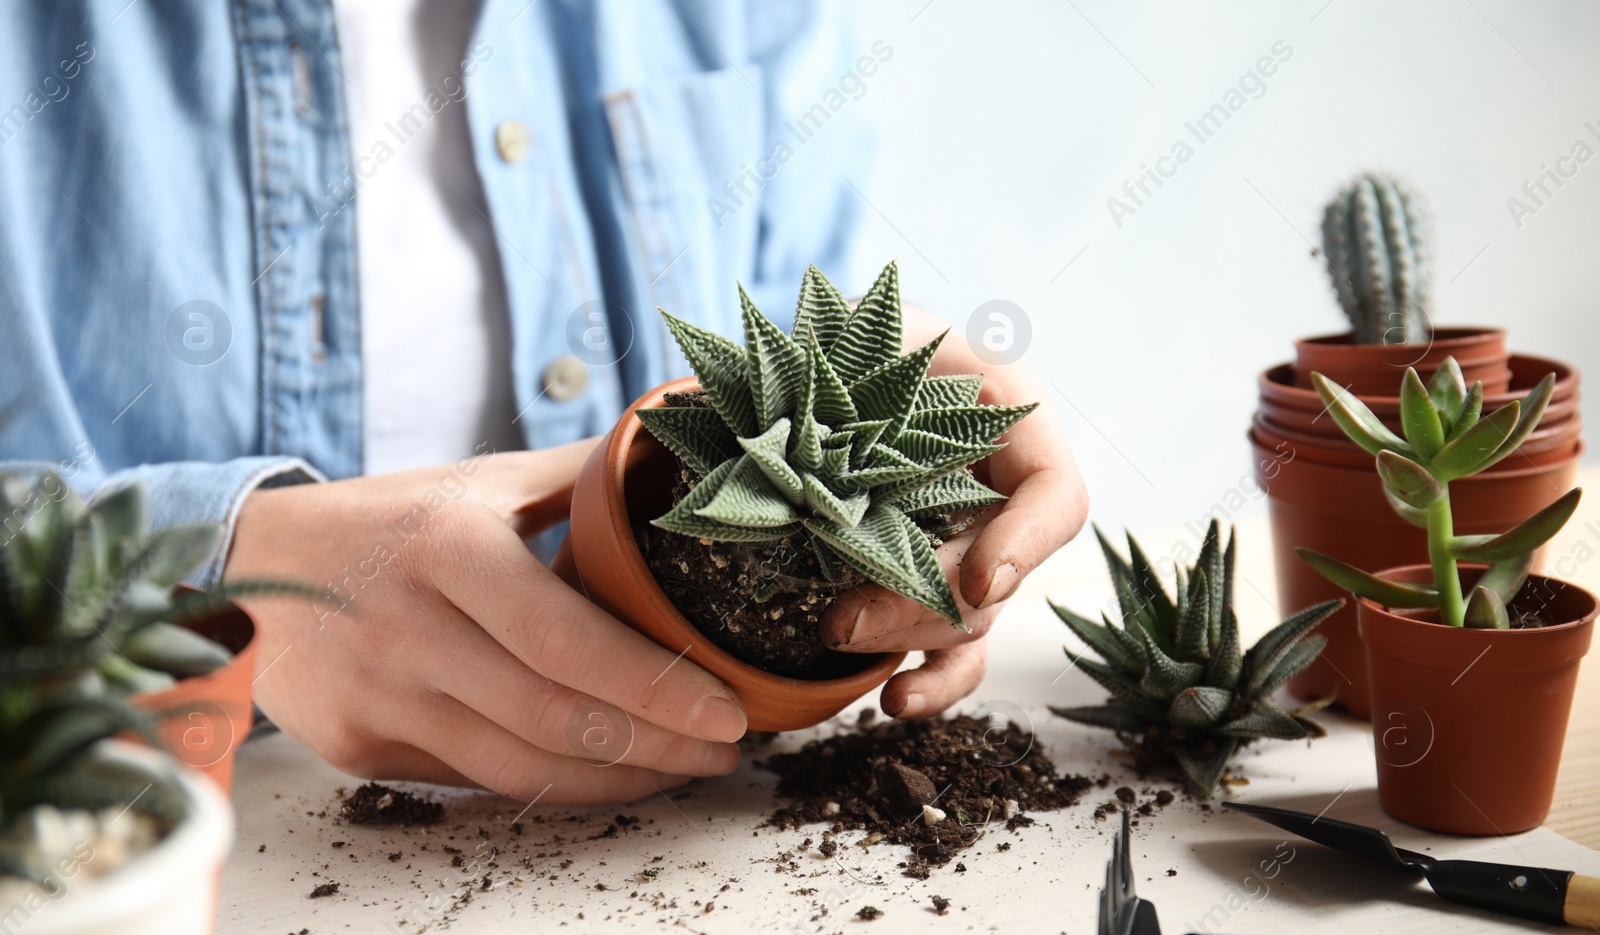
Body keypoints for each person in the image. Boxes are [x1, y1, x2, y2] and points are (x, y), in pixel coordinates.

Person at [1, 0, 1086, 803]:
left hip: (679, 837)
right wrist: (229, 563)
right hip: (146, 851)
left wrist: (924, 476)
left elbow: (800, 326)